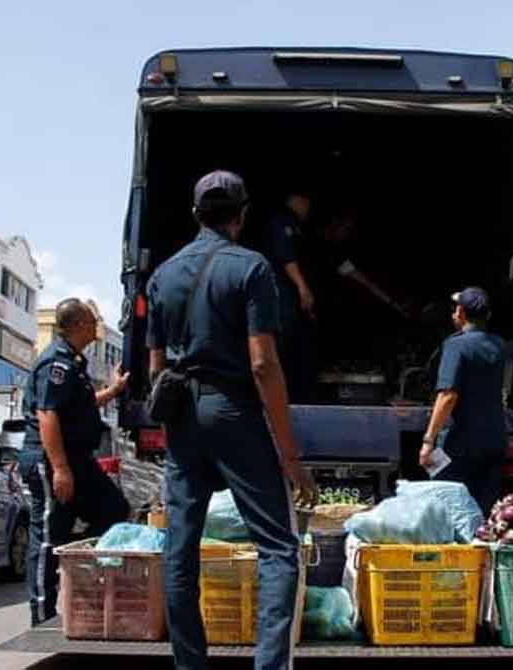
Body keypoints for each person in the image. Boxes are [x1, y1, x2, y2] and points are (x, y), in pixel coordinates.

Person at [146, 170, 318, 670]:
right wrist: (291, 456)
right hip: (234, 411)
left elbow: (157, 368)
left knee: (181, 548)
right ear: (241, 216)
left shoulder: (163, 275)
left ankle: (190, 664)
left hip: (182, 415)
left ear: (196, 214)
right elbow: (263, 363)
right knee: (278, 546)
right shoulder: (252, 268)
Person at [20, 298, 130, 626]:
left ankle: (78, 571)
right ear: (79, 325)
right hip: (54, 460)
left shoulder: (74, 363)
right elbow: (47, 415)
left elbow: (81, 405)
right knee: (48, 536)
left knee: (114, 509)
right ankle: (41, 617)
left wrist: (113, 391)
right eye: (92, 320)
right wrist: (61, 469)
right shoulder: (56, 363)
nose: (97, 324)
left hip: (78, 460)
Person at [419, 287, 506, 516]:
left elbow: (448, 396)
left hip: (461, 445)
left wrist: (428, 441)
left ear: (460, 313)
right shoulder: (499, 345)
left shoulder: (456, 345)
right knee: (485, 511)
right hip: (494, 441)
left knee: (449, 508)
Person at [261, 187, 317, 402]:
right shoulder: (281, 222)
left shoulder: (297, 226)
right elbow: (287, 258)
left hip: (290, 301)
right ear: (295, 199)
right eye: (307, 203)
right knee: (283, 346)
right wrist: (303, 287)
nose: (308, 209)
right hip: (281, 298)